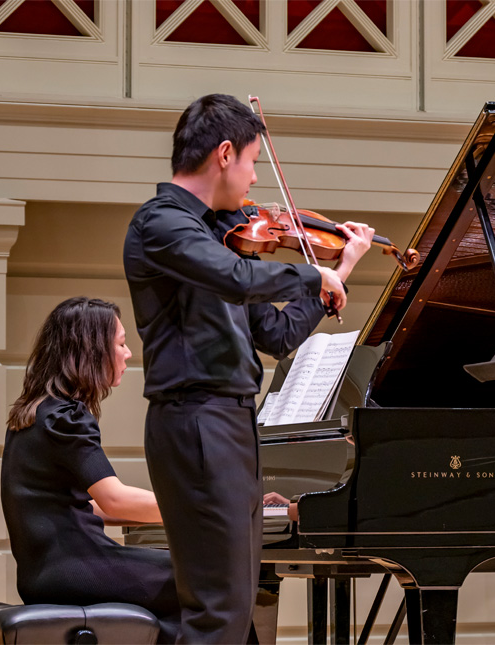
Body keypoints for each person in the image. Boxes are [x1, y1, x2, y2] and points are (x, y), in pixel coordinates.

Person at [123, 93, 373, 644]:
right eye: (254, 161)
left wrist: (342, 268)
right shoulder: (162, 225)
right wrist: (314, 277)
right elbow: (235, 278)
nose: (256, 179)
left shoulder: (218, 236)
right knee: (219, 610)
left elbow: (277, 335)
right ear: (225, 153)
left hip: (231, 426)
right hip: (196, 421)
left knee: (234, 609)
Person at [1, 296, 180, 643]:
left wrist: (169, 512)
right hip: (75, 568)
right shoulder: (67, 417)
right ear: (92, 349)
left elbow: (88, 505)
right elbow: (114, 499)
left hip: (42, 573)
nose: (128, 353)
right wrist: (199, 510)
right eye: (122, 343)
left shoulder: (33, 413)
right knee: (208, 580)